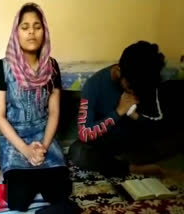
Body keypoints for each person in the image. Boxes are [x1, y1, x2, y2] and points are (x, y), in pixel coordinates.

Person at [0, 3, 74, 212]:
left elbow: (54, 112)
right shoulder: (3, 68)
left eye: (37, 26)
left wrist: (43, 146)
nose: (31, 32)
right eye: (25, 27)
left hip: (44, 133)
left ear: (44, 31)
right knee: (17, 200)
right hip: (15, 136)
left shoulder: (51, 66)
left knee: (61, 193)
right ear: (16, 32)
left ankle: (39, 175)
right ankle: (30, 176)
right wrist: (26, 150)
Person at [69, 41, 184, 177]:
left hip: (136, 142)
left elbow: (158, 124)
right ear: (119, 71)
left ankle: (125, 162)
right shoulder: (94, 85)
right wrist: (118, 112)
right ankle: (131, 168)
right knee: (78, 152)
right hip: (107, 143)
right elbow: (85, 133)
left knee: (178, 135)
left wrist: (137, 116)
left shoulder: (147, 81)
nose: (134, 90)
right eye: (130, 86)